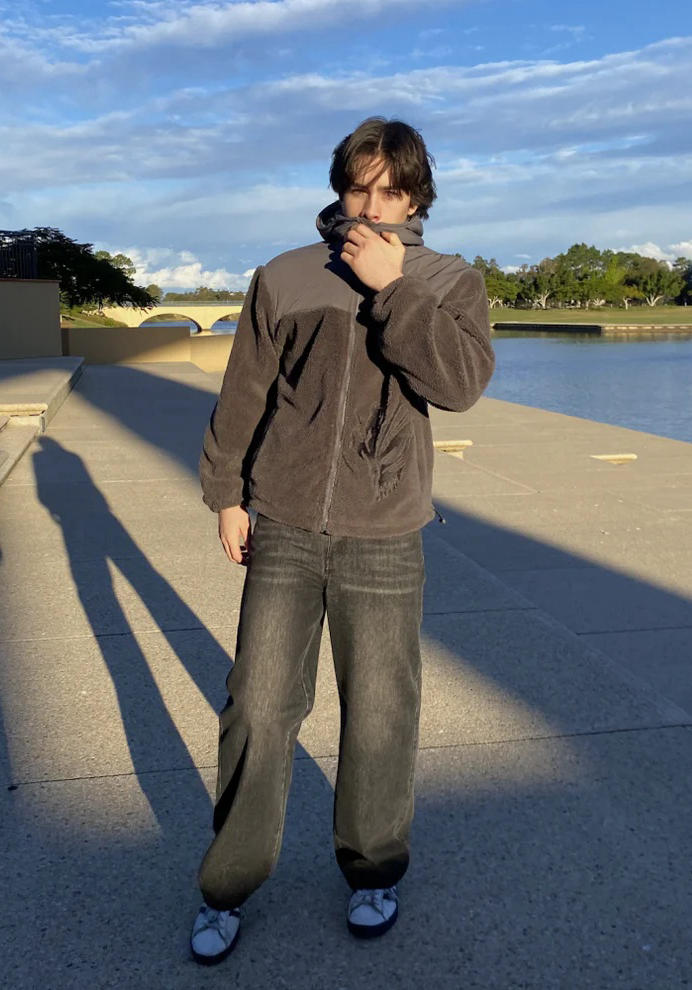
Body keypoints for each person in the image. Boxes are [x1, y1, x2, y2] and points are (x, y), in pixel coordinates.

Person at [190, 116, 496, 965]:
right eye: (359, 188)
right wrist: (227, 495)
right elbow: (244, 394)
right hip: (285, 523)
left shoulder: (451, 281)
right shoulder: (285, 275)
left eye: (390, 192)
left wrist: (394, 288)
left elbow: (459, 385)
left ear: (416, 197)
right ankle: (227, 886)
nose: (371, 206)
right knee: (258, 708)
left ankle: (374, 870)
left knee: (382, 713)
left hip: (385, 532)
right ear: (339, 189)